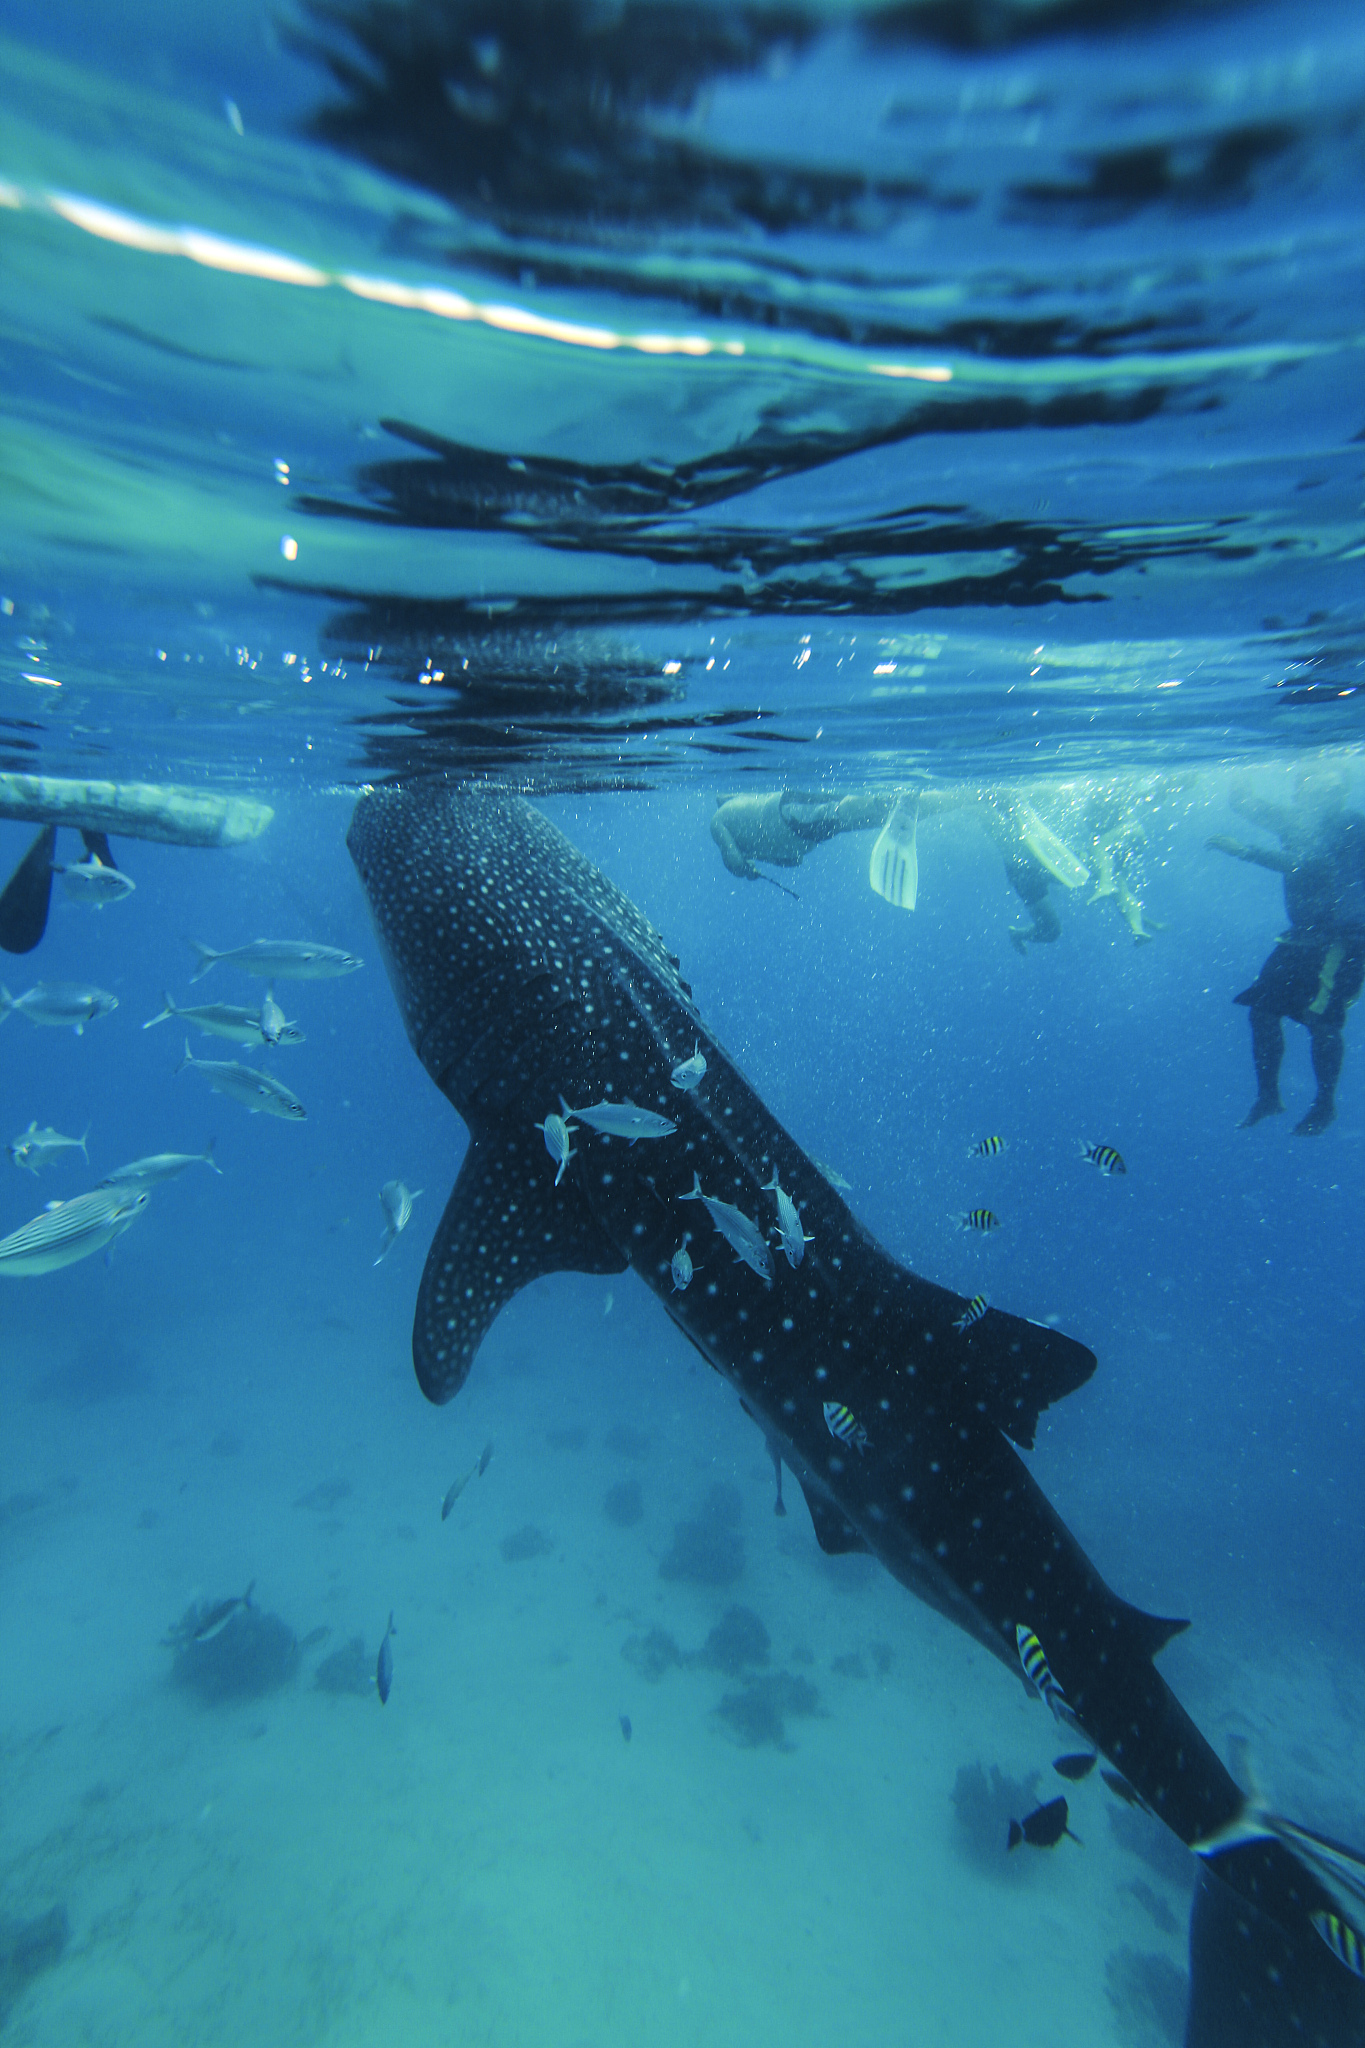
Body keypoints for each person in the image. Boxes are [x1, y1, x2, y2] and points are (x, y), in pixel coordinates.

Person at [1209, 767, 1365, 1135]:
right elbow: (1243, 804)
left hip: (1346, 938)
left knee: (1322, 1020)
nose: (1331, 797)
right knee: (1262, 1011)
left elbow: (1313, 865)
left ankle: (1324, 1104)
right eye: (1319, 790)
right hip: (1302, 935)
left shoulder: (1353, 825)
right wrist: (1239, 764)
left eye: (1335, 790)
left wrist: (1246, 851)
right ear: (1300, 793)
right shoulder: (1296, 818)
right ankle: (1268, 1097)